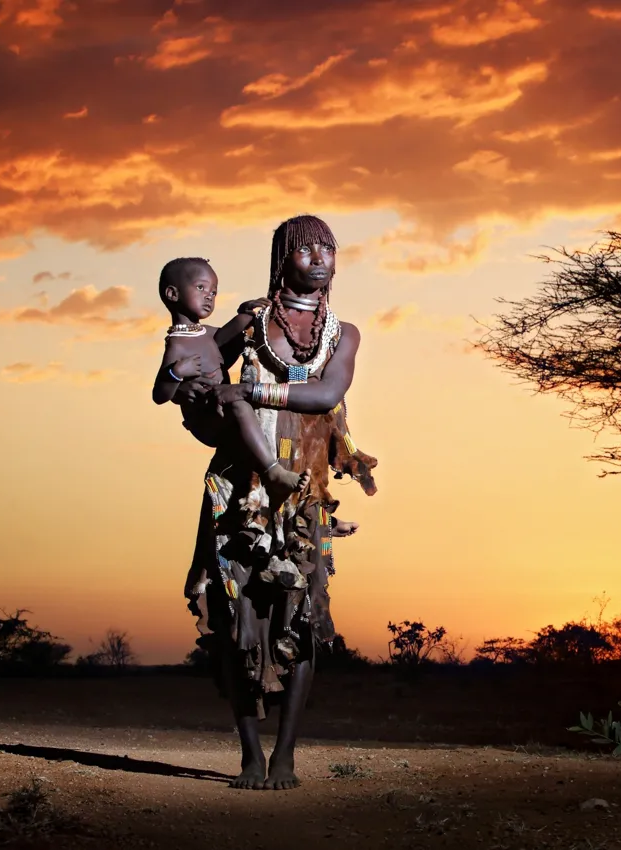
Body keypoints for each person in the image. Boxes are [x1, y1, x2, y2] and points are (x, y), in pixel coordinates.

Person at [182, 214, 378, 791]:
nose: (319, 258)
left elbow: (327, 393)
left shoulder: (343, 334)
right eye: (305, 248)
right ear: (281, 258)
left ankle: (285, 755)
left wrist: (250, 390)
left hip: (303, 489)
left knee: (303, 618)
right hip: (239, 489)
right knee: (236, 616)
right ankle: (248, 755)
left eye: (328, 248)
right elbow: (188, 372)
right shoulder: (247, 324)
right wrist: (195, 387)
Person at [151, 257, 304, 503]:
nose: (209, 296)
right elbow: (160, 395)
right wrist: (177, 373)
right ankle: (273, 472)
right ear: (172, 293)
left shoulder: (206, 333)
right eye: (201, 288)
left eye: (213, 291)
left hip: (222, 406)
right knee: (241, 404)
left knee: (266, 408)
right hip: (207, 419)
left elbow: (224, 348)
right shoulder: (177, 344)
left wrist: (246, 313)